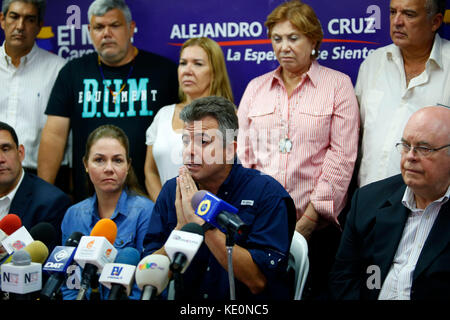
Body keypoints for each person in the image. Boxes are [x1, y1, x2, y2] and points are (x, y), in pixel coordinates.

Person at [236, 0, 359, 299]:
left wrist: (309, 221)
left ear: (313, 40)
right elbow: (243, 155)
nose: (284, 47)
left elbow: (341, 157)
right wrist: (256, 218)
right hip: (258, 229)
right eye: (277, 39)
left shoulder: (338, 85)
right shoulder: (255, 87)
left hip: (316, 230)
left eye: (293, 38)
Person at [143, 96, 296, 300]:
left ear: (230, 150)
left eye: (203, 142)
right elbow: (149, 278)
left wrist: (201, 223)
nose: (189, 151)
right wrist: (181, 230)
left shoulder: (266, 194)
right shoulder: (173, 191)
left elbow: (257, 282)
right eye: (186, 141)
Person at [38, 0, 178, 202]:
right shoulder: (73, 72)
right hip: (89, 200)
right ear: (89, 31)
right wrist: (42, 195)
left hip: (148, 198)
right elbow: (54, 137)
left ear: (130, 28)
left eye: (114, 25)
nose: (106, 33)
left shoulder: (163, 72)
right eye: (99, 27)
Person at [330, 106, 450, 300]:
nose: (410, 156)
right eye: (405, 146)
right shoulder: (369, 201)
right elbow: (346, 276)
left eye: (424, 148)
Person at [356, 0, 449, 187]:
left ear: (435, 22)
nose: (397, 21)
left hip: (431, 207)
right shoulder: (372, 64)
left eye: (409, 14)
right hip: (367, 202)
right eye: (392, 12)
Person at [60, 124, 154, 300]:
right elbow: (69, 281)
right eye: (99, 160)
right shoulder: (73, 214)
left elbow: (146, 283)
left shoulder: (146, 212)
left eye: (117, 160)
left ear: (128, 166)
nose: (109, 168)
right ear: (86, 164)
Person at [144, 37, 234, 202]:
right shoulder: (163, 115)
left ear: (215, 72)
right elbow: (150, 171)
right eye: (183, 63)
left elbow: (233, 175)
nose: (187, 70)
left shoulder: (230, 116)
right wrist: (165, 210)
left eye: (198, 64)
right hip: (168, 220)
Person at [0, 0, 71, 193]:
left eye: (29, 19)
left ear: (40, 26)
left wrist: (44, 192)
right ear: (2, 20)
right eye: (14, 17)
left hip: (42, 178)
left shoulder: (59, 70)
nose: (20, 26)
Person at [0, 121, 70, 244]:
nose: (0, 159)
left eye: (6, 149)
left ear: (20, 153)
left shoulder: (50, 203)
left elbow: (46, 259)